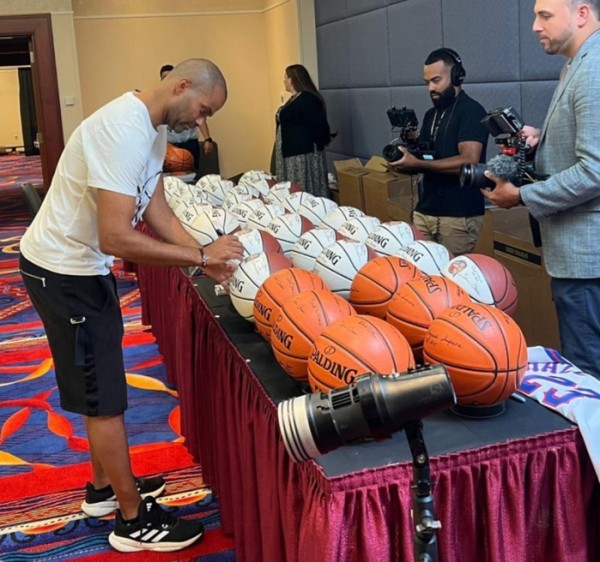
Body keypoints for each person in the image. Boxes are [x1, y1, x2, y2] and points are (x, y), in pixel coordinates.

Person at [18, 58, 244, 552]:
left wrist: (203, 258)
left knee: (100, 386)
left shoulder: (152, 130)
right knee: (104, 399)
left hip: (82, 268)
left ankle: (104, 489)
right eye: (203, 109)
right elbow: (116, 236)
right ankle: (132, 520)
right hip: (64, 273)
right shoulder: (122, 129)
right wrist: (200, 256)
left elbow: (156, 210)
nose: (201, 123)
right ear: (182, 86)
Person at [483, 0, 600, 378]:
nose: (535, 26)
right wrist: (541, 140)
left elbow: (595, 170)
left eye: (545, 15)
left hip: (587, 262)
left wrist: (521, 196)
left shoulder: (594, 69)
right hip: (579, 259)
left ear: (581, 14)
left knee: (588, 375)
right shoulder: (578, 64)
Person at [389, 49, 488, 255]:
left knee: (451, 274)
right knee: (420, 272)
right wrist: (406, 161)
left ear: (457, 76)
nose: (431, 88)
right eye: (427, 82)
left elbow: (468, 161)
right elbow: (428, 158)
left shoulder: (472, 111)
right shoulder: (430, 115)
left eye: (436, 80)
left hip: (458, 215)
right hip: (425, 210)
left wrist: (418, 163)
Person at [275, 64, 332, 197]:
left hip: (302, 155)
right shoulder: (294, 99)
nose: (284, 81)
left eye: (286, 77)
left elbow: (319, 125)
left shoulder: (308, 99)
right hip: (291, 152)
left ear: (293, 79)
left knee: (302, 190)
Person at [160, 63, 215, 171]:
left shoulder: (189, 97)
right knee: (169, 178)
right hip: (170, 147)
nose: (167, 80)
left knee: (192, 175)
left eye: (170, 77)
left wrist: (207, 139)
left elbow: (200, 119)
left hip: (189, 144)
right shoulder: (160, 101)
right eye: (164, 78)